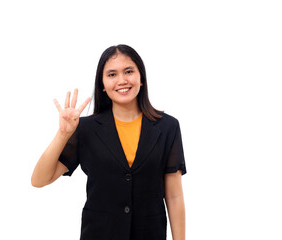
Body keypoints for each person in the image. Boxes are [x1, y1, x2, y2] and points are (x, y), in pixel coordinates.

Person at [31, 44, 187, 240]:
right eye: (112, 74)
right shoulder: (86, 129)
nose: (122, 80)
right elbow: (39, 180)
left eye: (129, 71)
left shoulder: (168, 127)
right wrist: (63, 134)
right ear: (103, 85)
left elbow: (174, 196)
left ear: (142, 78)